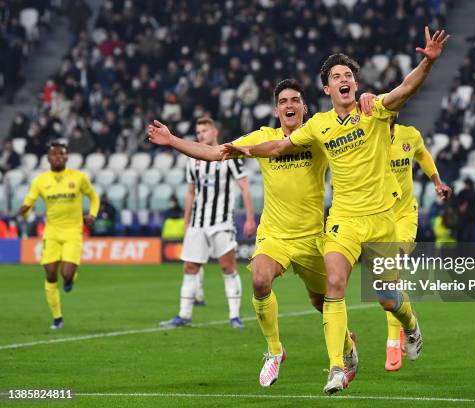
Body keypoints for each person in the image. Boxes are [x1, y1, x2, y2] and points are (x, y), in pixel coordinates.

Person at [222, 27, 450, 394]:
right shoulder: (319, 126)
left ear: (355, 84)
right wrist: (246, 150)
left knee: (387, 297)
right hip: (343, 220)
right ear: (327, 90)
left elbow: (406, 89)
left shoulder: (374, 110)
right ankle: (337, 368)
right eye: (335, 77)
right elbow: (280, 145)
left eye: (348, 75)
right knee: (335, 284)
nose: (343, 80)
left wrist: (428, 62)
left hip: (381, 219)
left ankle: (409, 323)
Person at [148, 79, 373, 388]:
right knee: (259, 278)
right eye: (283, 101)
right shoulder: (262, 137)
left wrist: (367, 100)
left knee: (322, 303)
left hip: (311, 238)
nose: (290, 105)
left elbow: (351, 124)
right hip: (274, 236)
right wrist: (172, 140)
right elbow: (215, 153)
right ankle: (274, 350)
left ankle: (347, 345)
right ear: (276, 109)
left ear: (304, 108)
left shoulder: (318, 133)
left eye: (295, 100)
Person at [158, 117, 257, 330]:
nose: (200, 134)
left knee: (228, 266)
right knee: (190, 266)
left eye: (204, 130)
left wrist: (250, 219)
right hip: (197, 222)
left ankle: (234, 316)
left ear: (215, 133)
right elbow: (190, 192)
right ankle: (184, 315)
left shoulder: (229, 156)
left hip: (221, 221)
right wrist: (186, 222)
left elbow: (245, 188)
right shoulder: (192, 160)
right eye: (198, 131)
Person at [384, 115, 451, 371]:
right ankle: (407, 322)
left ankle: (392, 343)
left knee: (390, 274)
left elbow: (422, 154)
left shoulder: (409, 135)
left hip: (404, 216)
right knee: (385, 281)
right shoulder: (367, 137)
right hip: (378, 217)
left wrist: (437, 182)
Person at [19, 141, 99, 329]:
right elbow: (28, 203)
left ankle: (70, 280)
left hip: (73, 231)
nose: (57, 157)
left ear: (67, 157)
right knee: (51, 273)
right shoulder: (40, 181)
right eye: (54, 154)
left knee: (67, 273)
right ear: (48, 158)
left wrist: (93, 215)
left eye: (61, 153)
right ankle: (57, 317)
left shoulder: (78, 177)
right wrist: (25, 211)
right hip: (52, 232)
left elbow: (94, 196)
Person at [456, 178, 475, 242]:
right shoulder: (462, 192)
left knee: (470, 235)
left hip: (471, 219)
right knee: (460, 235)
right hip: (463, 218)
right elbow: (457, 203)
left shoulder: (474, 193)